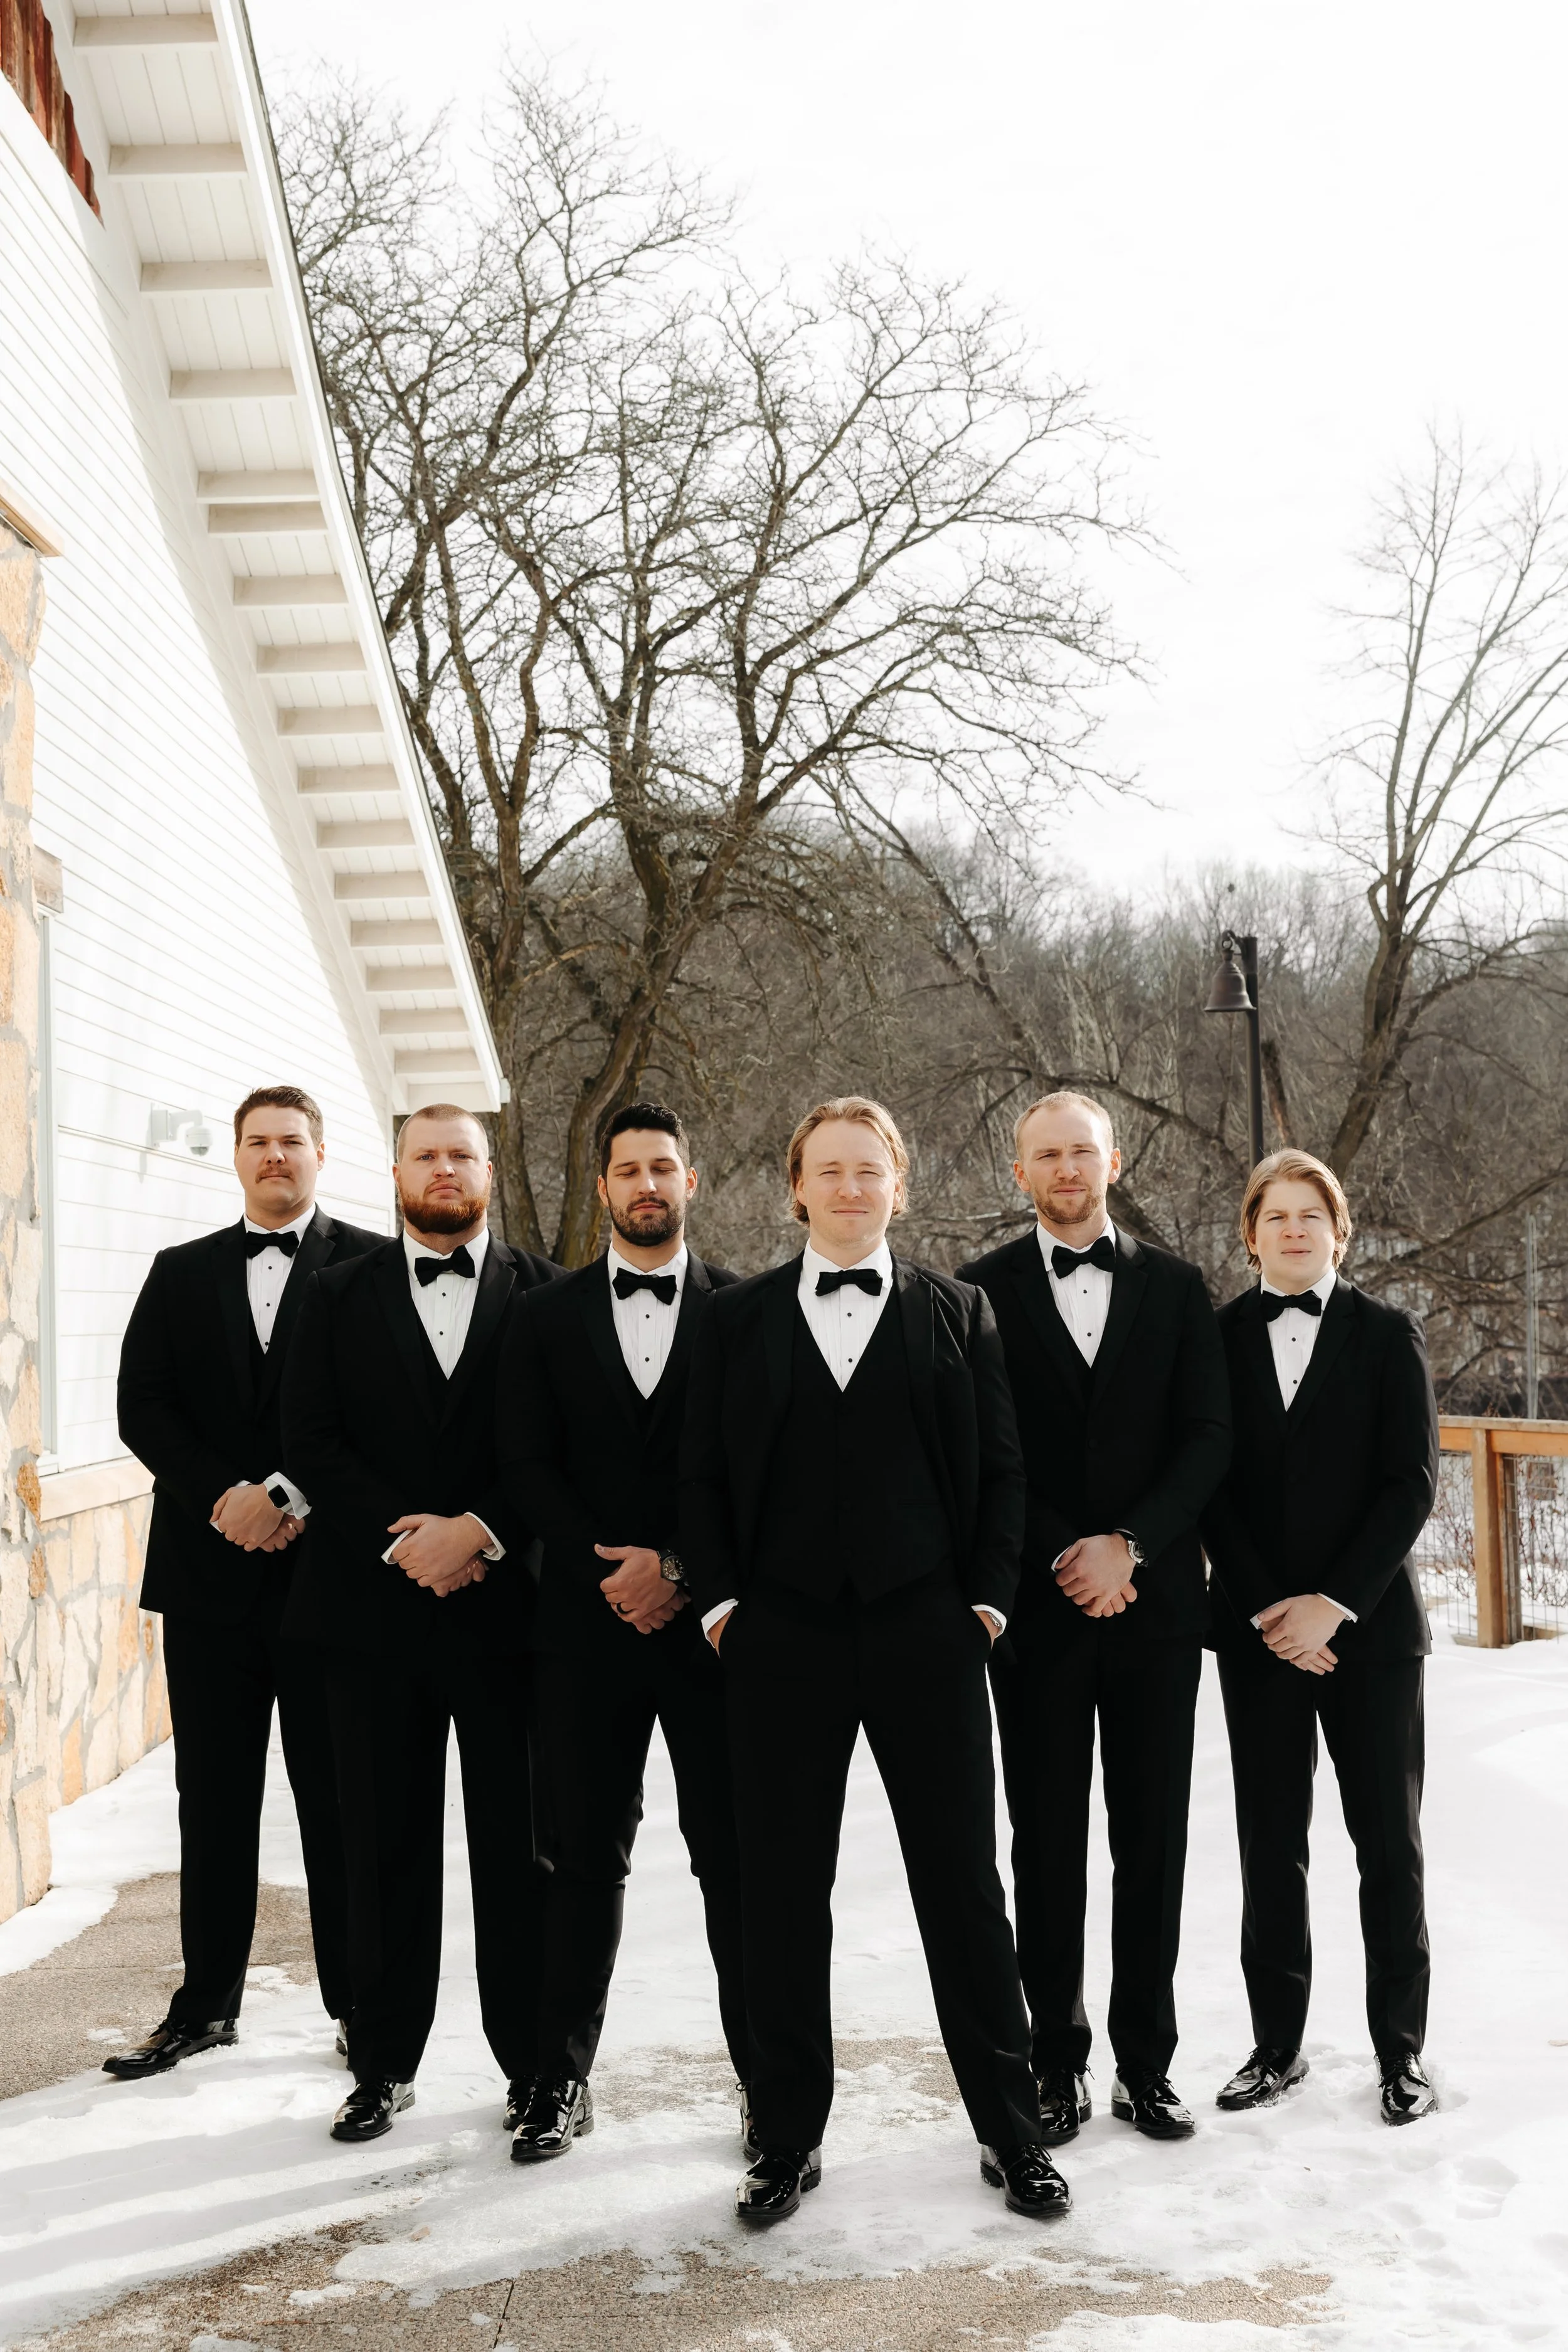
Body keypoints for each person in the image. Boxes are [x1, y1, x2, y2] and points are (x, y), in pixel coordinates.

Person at [682, 1096, 1066, 2225]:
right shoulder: (736, 1318)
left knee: (963, 1891)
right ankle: (785, 2136)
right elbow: (698, 1478)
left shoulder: (962, 1312)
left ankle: (1013, 2127)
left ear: (900, 1184)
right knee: (782, 1897)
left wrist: (987, 1608)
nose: (851, 1188)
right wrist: (722, 1612)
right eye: (830, 1170)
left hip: (926, 1634)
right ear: (795, 1186)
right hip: (780, 1639)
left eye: (871, 1170)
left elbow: (1002, 1473)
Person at [281, 1103, 558, 2143]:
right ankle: (381, 2058)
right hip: (369, 1615)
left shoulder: (545, 1291)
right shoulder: (334, 1292)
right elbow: (310, 1436)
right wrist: (411, 1542)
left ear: (491, 1168)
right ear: (394, 1167)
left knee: (519, 1853)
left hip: (510, 1618)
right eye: (428, 1154)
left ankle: (536, 2068)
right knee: (379, 1845)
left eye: (463, 1154)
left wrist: (480, 1530)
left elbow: (559, 1442)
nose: (445, 1170)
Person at [958, 1093, 1230, 2145]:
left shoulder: (1177, 1285)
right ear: (1019, 1169)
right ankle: (1055, 2060)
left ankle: (1147, 2061)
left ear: (1114, 1159)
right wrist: (1069, 1551)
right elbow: (990, 1450)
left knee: (1153, 1838)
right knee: (1049, 1840)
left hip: (1157, 1608)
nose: (1067, 1168)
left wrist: (1136, 1545)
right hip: (1039, 1610)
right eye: (1047, 1155)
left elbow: (1208, 1437)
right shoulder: (977, 1291)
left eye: (1083, 1150)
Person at [110, 1086, 383, 2079]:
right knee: (211, 1796)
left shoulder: (370, 1266)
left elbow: (386, 1408)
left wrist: (291, 1494)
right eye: (259, 1142)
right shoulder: (177, 1274)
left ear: (322, 1152)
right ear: (235, 1156)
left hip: (332, 1580)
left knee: (338, 1799)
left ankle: (360, 2006)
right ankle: (205, 2003)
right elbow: (142, 1403)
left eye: (292, 1142)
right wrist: (225, 1494)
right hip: (207, 1570)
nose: (276, 1157)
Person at [496, 1103, 748, 2163]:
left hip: (713, 1635)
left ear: (692, 1179)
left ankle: (766, 2080)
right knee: (578, 1859)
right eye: (627, 1170)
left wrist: (678, 1569)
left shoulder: (746, 1310)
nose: (646, 1184)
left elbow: (752, 1472)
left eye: (663, 1167)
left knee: (734, 1861)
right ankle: (558, 2076)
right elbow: (524, 1462)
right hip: (584, 1631)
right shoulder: (544, 1317)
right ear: (601, 1187)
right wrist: (615, 1566)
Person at [1201, 1150, 1439, 2126]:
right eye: (1277, 1215)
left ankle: (1403, 2053)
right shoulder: (1214, 1340)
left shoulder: (1389, 1336)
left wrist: (1331, 1603)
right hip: (1258, 1636)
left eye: (1313, 1215)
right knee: (1271, 1846)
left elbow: (1411, 1484)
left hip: (1371, 1636)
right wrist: (1271, 1608)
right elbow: (1206, 1480)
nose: (1295, 1229)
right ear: (1250, 1232)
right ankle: (1276, 2045)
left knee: (1388, 1844)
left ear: (1339, 1231)